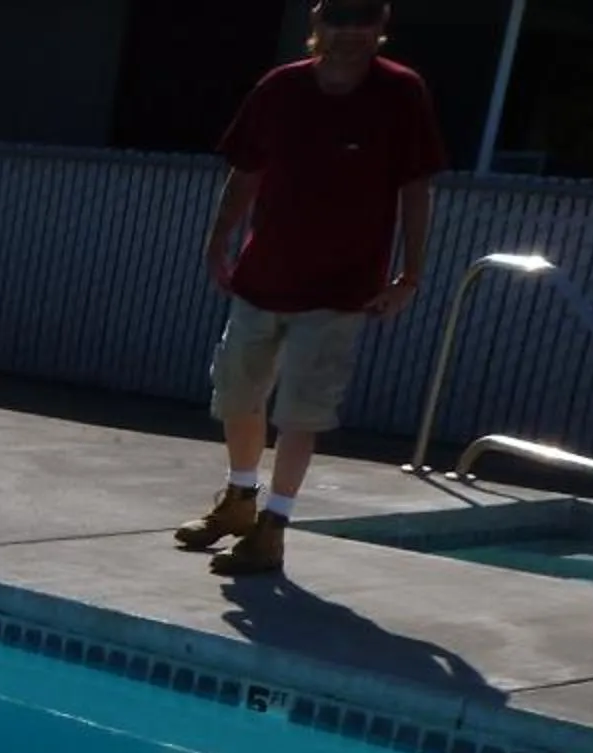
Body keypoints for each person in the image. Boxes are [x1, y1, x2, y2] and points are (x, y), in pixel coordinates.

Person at [174, 0, 446, 580]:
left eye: (363, 22)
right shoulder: (281, 88)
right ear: (316, 26)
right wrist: (218, 242)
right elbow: (245, 171)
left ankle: (273, 528)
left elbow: (416, 188)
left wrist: (411, 274)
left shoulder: (400, 93)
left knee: (302, 409)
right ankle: (240, 498)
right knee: (238, 393)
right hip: (262, 275)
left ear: (381, 29)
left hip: (341, 288)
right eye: (338, 21)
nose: (350, 33)